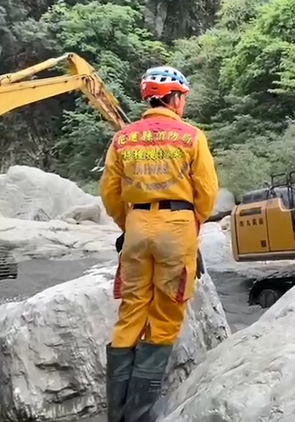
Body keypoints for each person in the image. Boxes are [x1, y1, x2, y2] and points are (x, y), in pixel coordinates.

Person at [99, 65, 219, 422]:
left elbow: (109, 192)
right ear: (175, 98)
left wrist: (130, 222)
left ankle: (117, 414)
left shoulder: (123, 138)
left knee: (131, 310)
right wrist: (191, 221)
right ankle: (140, 415)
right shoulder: (190, 136)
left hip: (136, 225)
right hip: (177, 225)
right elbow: (208, 193)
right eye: (182, 97)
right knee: (165, 315)